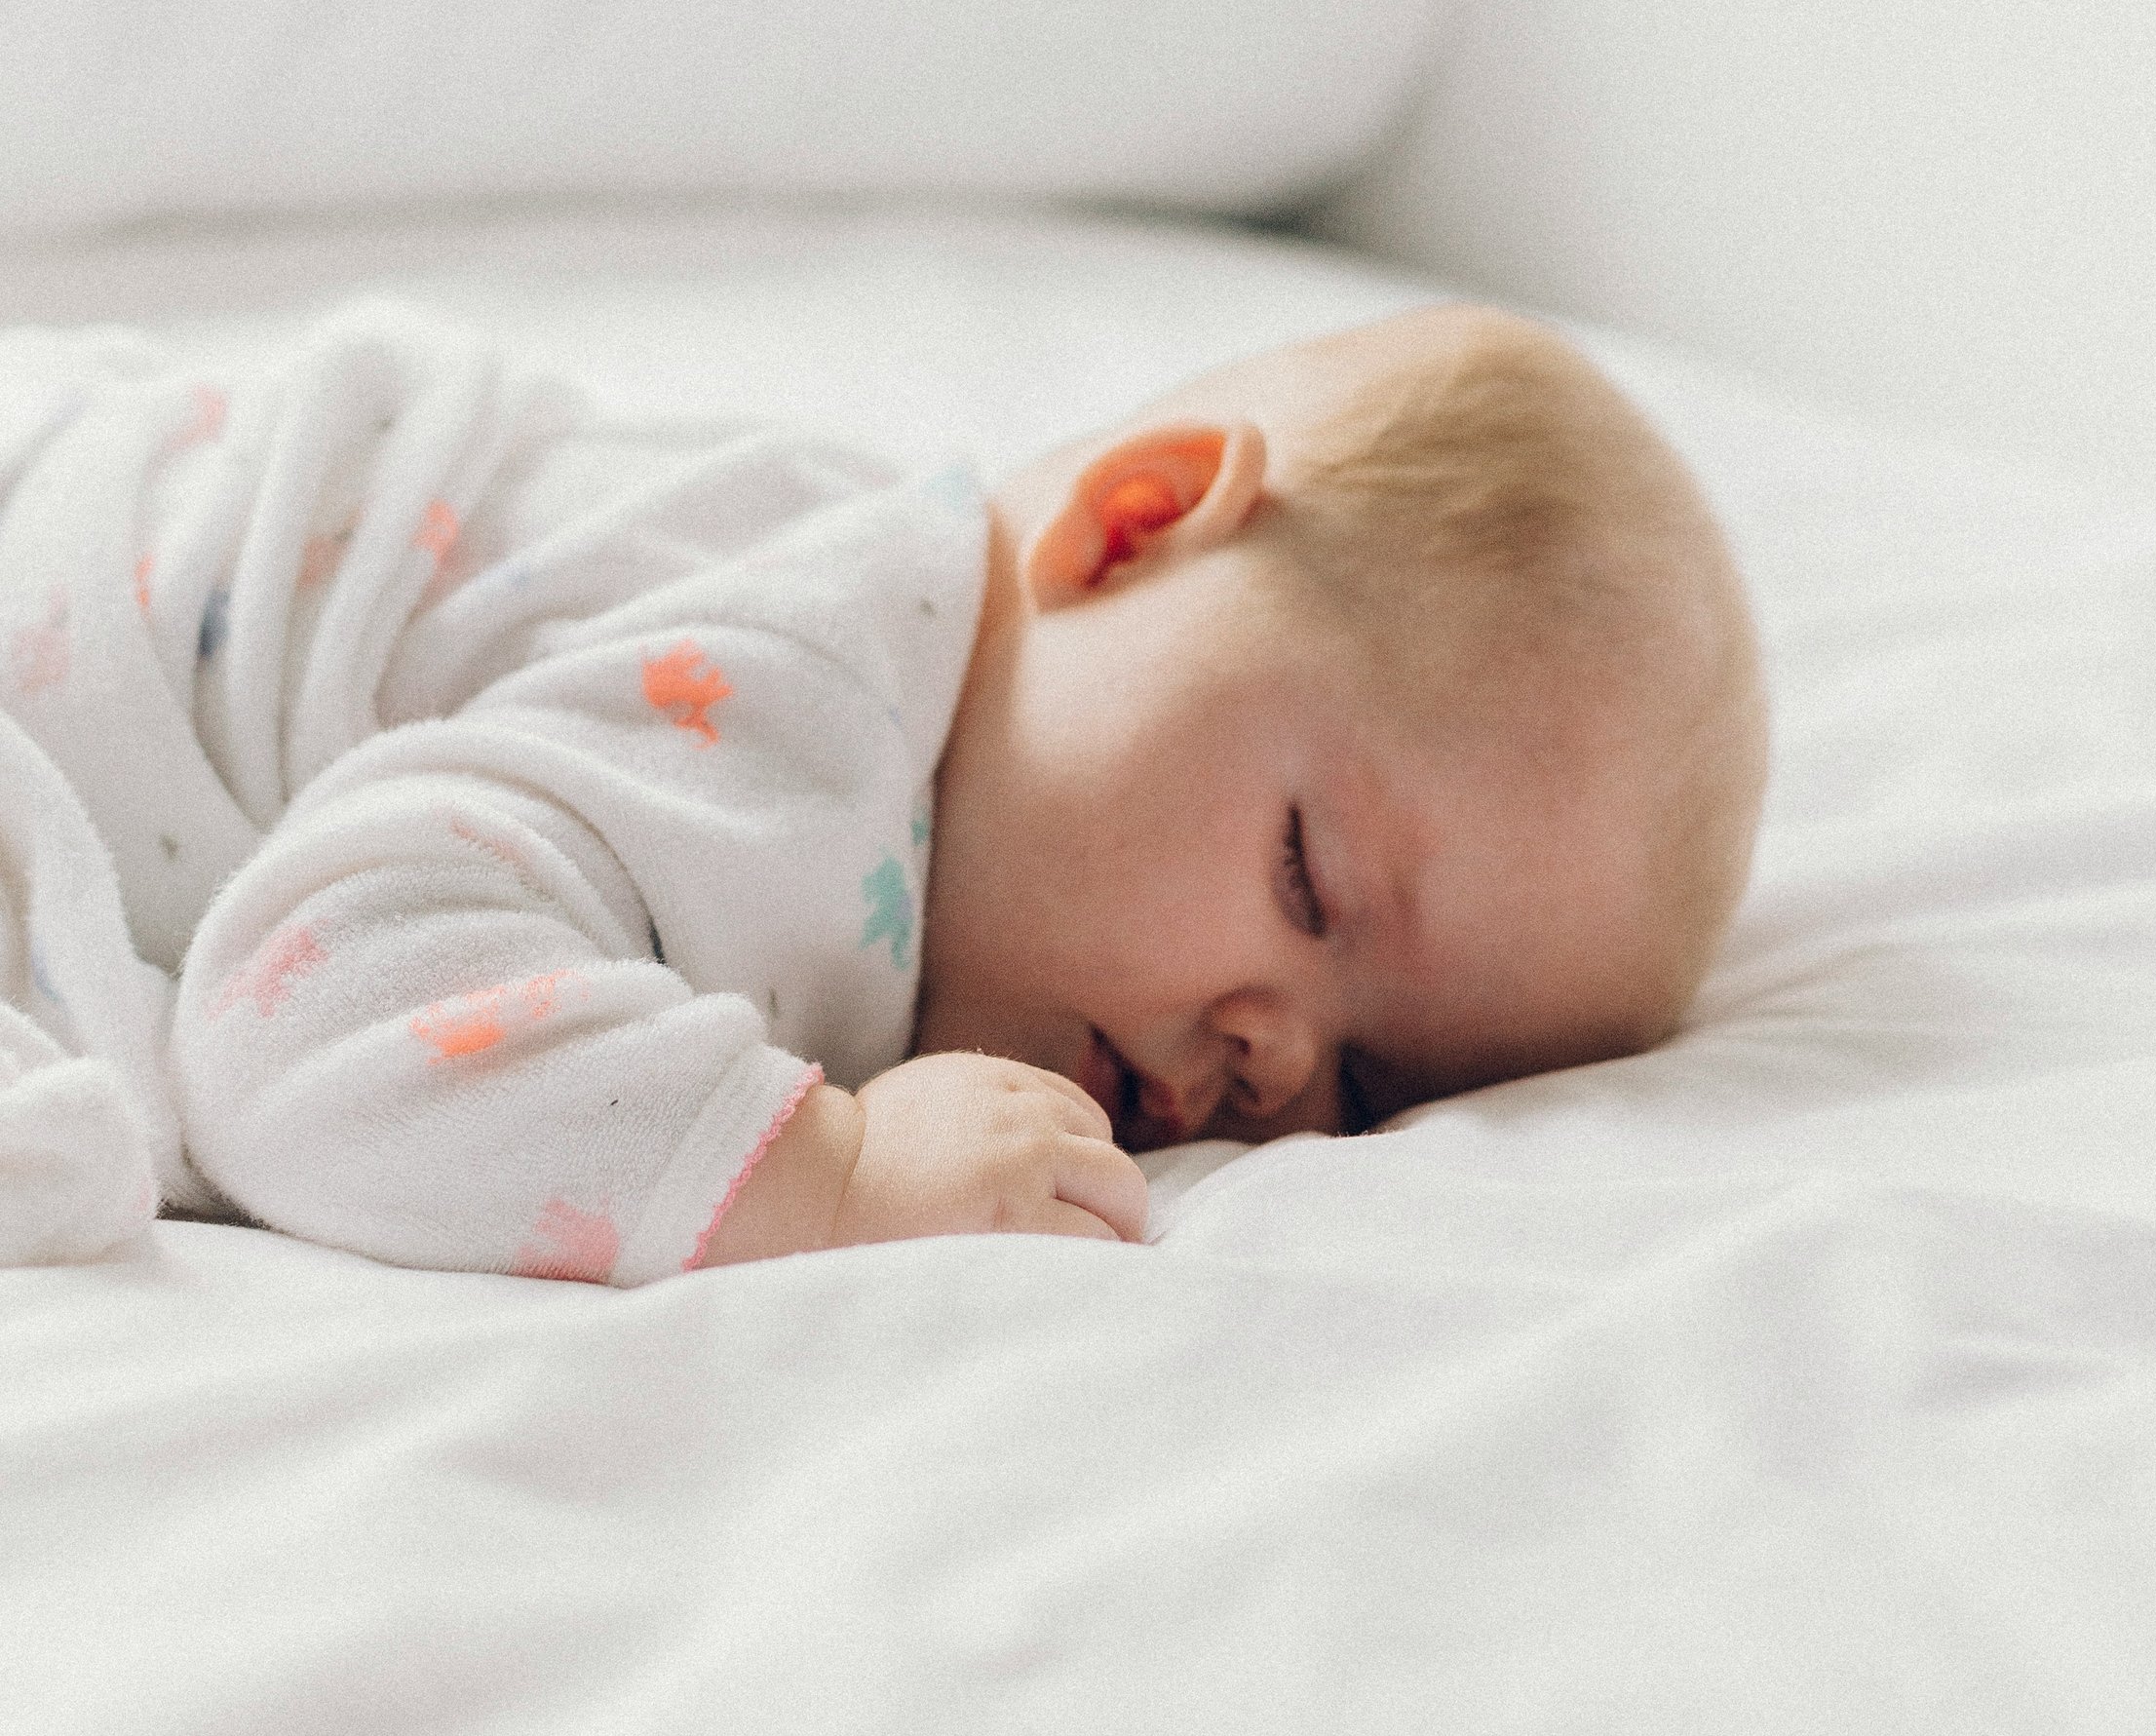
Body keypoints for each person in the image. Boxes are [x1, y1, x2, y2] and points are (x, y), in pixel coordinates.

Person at [0, 296, 1766, 1279]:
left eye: (1371, 1078)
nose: (1274, 1057)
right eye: (1309, 879)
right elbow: (296, 1020)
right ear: (1134, 526)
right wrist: (818, 1170)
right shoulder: (806, 725)